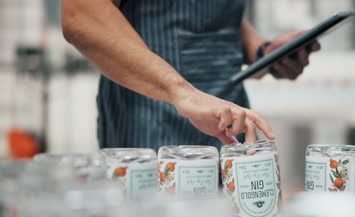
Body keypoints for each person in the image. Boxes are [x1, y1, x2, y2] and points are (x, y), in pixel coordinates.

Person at [62, 0, 320, 149]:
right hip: (151, 118)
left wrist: (261, 50)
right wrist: (183, 93)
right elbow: (82, 14)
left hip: (229, 113)